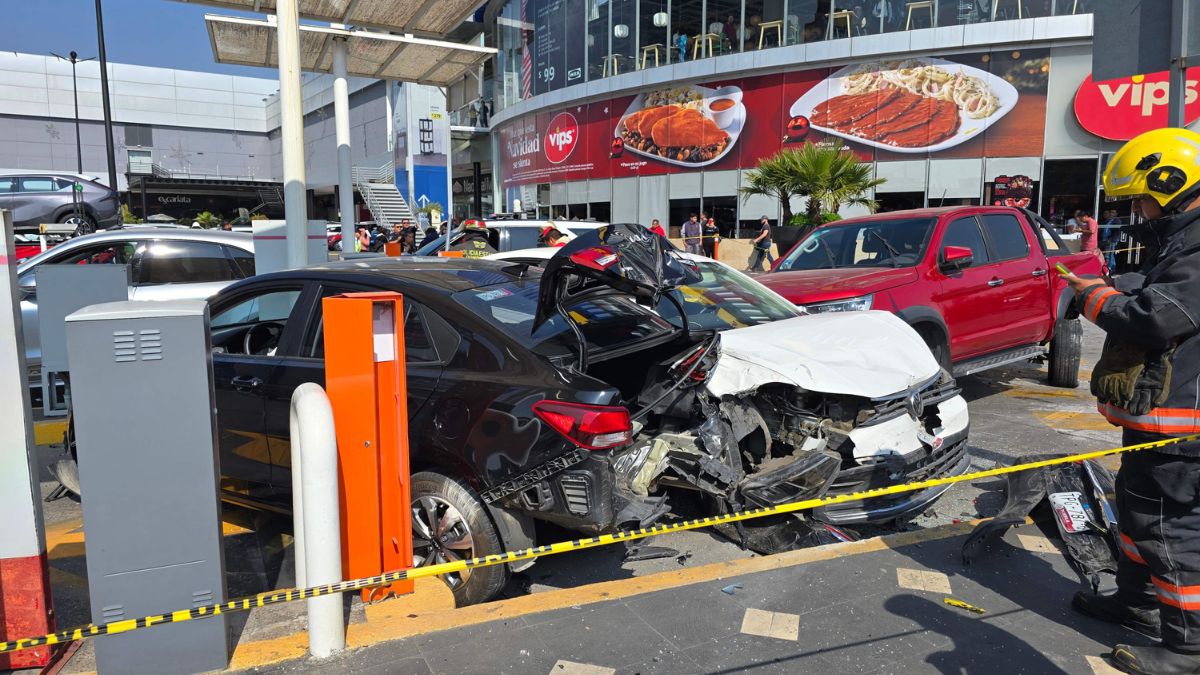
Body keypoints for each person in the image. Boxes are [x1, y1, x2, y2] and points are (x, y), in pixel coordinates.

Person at [1060, 128, 1200, 675]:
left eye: (1142, 198)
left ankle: (1187, 648)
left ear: (1170, 186)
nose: (1139, 212)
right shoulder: (1183, 242)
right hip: (1161, 426)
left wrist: (1093, 297)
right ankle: (1136, 600)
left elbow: (1156, 316)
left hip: (1182, 433)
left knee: (1169, 531)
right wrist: (1119, 281)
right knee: (1139, 518)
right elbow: (1163, 289)